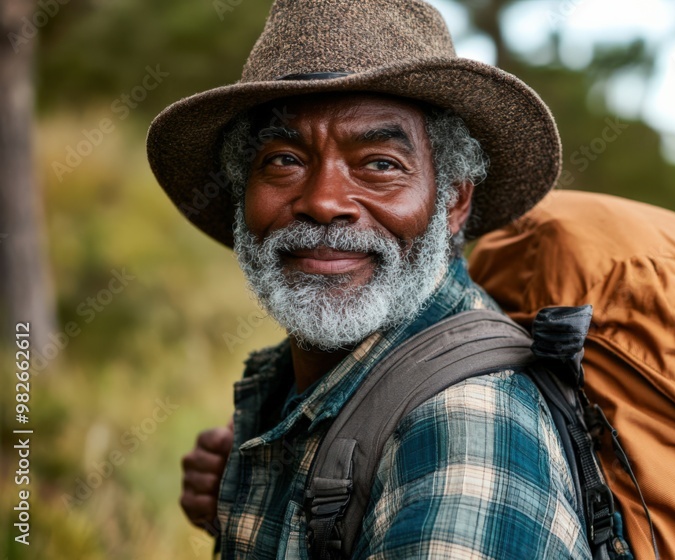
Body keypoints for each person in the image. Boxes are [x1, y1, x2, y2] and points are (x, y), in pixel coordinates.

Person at [146, 0, 589, 558]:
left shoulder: (466, 431)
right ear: (242, 193)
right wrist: (245, 501)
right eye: (284, 159)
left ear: (452, 198)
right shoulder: (306, 383)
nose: (324, 202)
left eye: (380, 164)